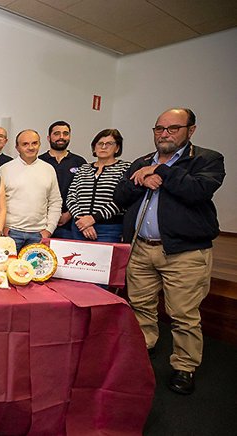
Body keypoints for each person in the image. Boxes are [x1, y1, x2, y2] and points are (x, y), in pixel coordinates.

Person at [114, 108, 225, 395]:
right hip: (141, 249)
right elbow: (121, 196)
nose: (164, 133)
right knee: (140, 306)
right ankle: (144, 347)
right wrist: (142, 178)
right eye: (159, 128)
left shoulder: (206, 159)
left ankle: (184, 366)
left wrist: (160, 171)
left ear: (191, 130)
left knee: (183, 314)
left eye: (173, 128)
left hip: (183, 253)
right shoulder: (141, 162)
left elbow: (197, 191)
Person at [0, 129, 61, 252]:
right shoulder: (4, 170)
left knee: (35, 270)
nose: (30, 147)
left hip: (38, 234)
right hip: (11, 233)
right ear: (17, 147)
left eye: (34, 143)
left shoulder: (48, 169)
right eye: (25, 144)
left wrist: (49, 230)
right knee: (7, 269)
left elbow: (55, 201)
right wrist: (3, 228)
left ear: (39, 145)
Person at [66, 129, 130, 242]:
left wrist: (93, 219)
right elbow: (71, 197)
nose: (103, 147)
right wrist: (82, 221)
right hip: (79, 227)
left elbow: (123, 200)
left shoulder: (125, 168)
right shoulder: (83, 168)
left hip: (109, 229)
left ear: (117, 148)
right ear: (94, 147)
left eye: (109, 143)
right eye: (100, 143)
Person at [39, 121, 86, 239]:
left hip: (70, 223)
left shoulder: (80, 162)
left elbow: (84, 193)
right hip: (42, 223)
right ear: (49, 138)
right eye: (57, 134)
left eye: (65, 134)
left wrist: (69, 214)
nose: (61, 137)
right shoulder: (39, 161)